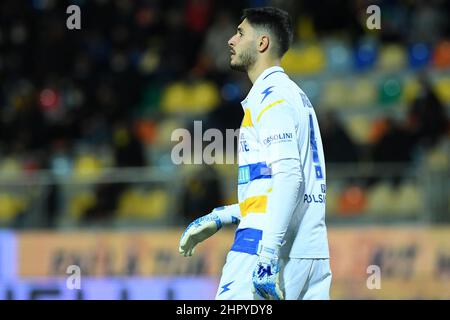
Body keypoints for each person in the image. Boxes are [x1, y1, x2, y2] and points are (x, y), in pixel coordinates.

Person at [178, 7, 331, 300]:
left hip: (264, 249)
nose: (230, 41)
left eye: (240, 33)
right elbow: (278, 188)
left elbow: (288, 178)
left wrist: (267, 256)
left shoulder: (271, 98)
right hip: (310, 253)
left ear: (262, 43)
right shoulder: (295, 96)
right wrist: (223, 215)